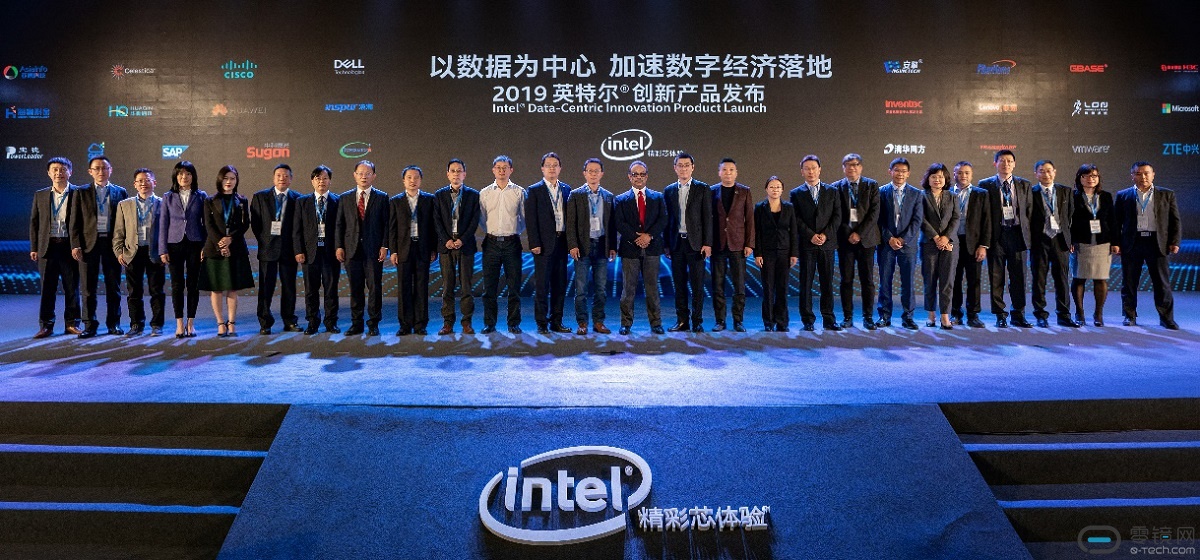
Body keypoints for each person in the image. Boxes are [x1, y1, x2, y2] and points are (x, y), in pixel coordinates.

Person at [1114, 161, 1181, 329]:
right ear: (1132, 176)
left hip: (1157, 243)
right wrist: (1116, 243)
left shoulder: (1166, 194)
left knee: (1162, 283)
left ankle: (1166, 318)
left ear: (1153, 175)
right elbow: (1116, 222)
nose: (1143, 177)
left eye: (1146, 173)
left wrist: (1174, 241)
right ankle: (1129, 315)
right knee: (1129, 283)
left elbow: (1175, 220)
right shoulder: (1123, 195)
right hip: (1132, 243)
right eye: (1138, 173)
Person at [72, 156, 128, 337]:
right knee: (88, 288)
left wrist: (124, 246)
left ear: (110, 170)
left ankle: (114, 324)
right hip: (88, 246)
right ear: (90, 172)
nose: (101, 171)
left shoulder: (121, 192)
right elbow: (74, 221)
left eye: (104, 168)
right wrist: (75, 244)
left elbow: (126, 222)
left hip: (112, 245)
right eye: (97, 168)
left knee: (114, 287)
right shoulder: (81, 192)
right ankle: (89, 325)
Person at [335, 160, 390, 336]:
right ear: (354, 175)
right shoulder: (345, 198)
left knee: (374, 288)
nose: (363, 177)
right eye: (360, 173)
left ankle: (373, 324)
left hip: (374, 250)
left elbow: (387, 225)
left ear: (374, 176)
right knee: (355, 289)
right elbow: (339, 225)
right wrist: (339, 246)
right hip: (351, 250)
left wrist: (385, 246)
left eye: (367, 173)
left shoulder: (382, 197)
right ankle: (356, 324)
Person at [979, 149, 1033, 328]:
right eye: (1001, 160)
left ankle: (1018, 314)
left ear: (1014, 164)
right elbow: (983, 215)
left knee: (1019, 278)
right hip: (997, 236)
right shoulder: (985, 185)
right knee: (996, 278)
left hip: (1018, 235)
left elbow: (1029, 212)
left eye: (1009, 161)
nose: (1006, 164)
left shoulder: (1024, 184)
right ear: (995, 163)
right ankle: (1000, 315)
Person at [30, 157, 82, 338]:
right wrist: (34, 247)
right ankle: (46, 326)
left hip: (70, 248)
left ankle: (72, 323)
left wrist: (78, 245)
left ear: (70, 172)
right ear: (49, 173)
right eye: (55, 169)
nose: (59, 173)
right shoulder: (40, 195)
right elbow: (34, 223)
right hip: (48, 248)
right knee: (47, 289)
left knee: (72, 287)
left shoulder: (79, 193)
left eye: (63, 169)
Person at [199, 165, 254, 337]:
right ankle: (220, 323)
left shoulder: (242, 200)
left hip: (236, 247)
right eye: (225, 178)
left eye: (232, 178)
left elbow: (245, 224)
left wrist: (230, 239)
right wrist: (221, 243)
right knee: (216, 289)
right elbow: (208, 225)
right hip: (214, 249)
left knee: (232, 288)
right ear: (220, 179)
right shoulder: (209, 200)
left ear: (236, 180)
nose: (229, 181)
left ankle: (231, 323)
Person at [564, 158, 616, 335]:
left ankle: (599, 322)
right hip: (582, 247)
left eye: (596, 171)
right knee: (581, 289)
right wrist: (572, 245)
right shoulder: (575, 195)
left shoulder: (608, 196)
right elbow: (570, 224)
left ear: (602, 173)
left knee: (601, 289)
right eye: (590, 171)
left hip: (601, 246)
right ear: (584, 173)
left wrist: (612, 246)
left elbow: (611, 225)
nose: (593, 174)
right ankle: (582, 322)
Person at [615, 161, 667, 335]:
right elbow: (619, 223)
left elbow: (663, 220)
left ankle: (656, 323)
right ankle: (626, 323)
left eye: (642, 174)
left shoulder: (658, 197)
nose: (638, 177)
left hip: (652, 249)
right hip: (630, 249)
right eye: (635, 174)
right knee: (628, 289)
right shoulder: (620, 200)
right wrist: (637, 237)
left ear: (647, 176)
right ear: (629, 177)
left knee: (652, 289)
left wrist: (649, 236)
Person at [791, 155, 842, 332]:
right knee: (806, 284)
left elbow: (837, 216)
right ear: (802, 172)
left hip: (827, 245)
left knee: (827, 283)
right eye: (807, 168)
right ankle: (808, 320)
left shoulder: (832, 191)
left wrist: (825, 235)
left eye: (813, 168)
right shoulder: (796, 193)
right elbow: (796, 219)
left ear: (819, 169)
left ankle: (829, 319)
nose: (810, 171)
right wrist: (811, 235)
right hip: (807, 245)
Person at [112, 168, 165, 336]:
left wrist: (165, 251)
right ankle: (136, 324)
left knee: (157, 291)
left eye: (147, 180)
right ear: (135, 184)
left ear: (154, 183)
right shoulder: (124, 204)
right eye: (140, 181)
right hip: (132, 252)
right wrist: (119, 252)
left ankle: (157, 325)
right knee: (134, 292)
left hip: (155, 252)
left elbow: (168, 231)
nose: (144, 183)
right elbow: (118, 232)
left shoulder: (163, 203)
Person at [663, 152, 712, 332]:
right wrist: (666, 244)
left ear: (692, 168)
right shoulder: (669, 191)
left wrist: (707, 243)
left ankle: (697, 321)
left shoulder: (703, 188)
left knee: (697, 285)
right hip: (677, 244)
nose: (683, 168)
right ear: (675, 168)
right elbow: (667, 220)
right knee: (679, 285)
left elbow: (708, 218)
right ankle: (682, 321)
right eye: (680, 165)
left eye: (686, 165)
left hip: (696, 245)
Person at [250, 163, 302, 334]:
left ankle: (289, 321)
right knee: (266, 288)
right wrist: (265, 241)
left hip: (289, 250)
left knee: (289, 287)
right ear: (273, 178)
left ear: (291, 179)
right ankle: (265, 323)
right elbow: (256, 224)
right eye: (279, 175)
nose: (282, 179)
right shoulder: (260, 197)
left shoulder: (298, 199)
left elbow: (299, 226)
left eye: (286, 176)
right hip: (268, 249)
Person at [159, 160, 207, 338]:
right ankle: (179, 324)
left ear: (193, 176)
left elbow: (206, 224)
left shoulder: (201, 196)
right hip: (174, 245)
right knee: (177, 285)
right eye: (180, 174)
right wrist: (162, 249)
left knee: (193, 285)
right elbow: (163, 224)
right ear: (175, 176)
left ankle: (190, 324)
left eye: (188, 173)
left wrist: (205, 246)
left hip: (195, 243)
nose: (184, 177)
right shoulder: (168, 197)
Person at [525, 152, 573, 334]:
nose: (552, 168)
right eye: (548, 165)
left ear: (560, 168)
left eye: (555, 165)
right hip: (543, 246)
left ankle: (556, 322)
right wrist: (534, 243)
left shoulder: (567, 190)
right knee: (542, 286)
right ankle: (542, 323)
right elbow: (531, 220)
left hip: (562, 243)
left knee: (560, 286)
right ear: (542, 169)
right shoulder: (534, 190)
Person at [832, 153, 880, 330]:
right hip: (845, 241)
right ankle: (847, 317)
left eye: (856, 164)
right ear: (843, 168)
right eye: (848, 165)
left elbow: (874, 213)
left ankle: (868, 317)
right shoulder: (836, 187)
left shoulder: (872, 185)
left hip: (867, 240)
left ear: (861, 167)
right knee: (846, 280)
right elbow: (836, 214)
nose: (852, 168)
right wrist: (849, 233)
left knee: (867, 280)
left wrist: (859, 233)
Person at [478, 155, 525, 334]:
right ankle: (489, 323)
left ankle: (513, 323)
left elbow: (524, 218)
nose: (501, 170)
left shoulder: (519, 192)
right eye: (498, 167)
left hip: (512, 243)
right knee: (489, 287)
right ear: (493, 170)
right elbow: (482, 219)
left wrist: (513, 232)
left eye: (505, 167)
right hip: (491, 243)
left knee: (514, 287)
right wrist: (493, 232)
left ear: (511, 170)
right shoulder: (485, 193)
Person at [1029, 160, 1079, 328]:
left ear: (1055, 172)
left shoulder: (1065, 191)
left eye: (1049, 170)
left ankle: (1064, 315)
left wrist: (1070, 238)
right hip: (1039, 241)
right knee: (1039, 280)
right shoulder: (1030, 192)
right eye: (1041, 171)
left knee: (1062, 279)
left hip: (1060, 240)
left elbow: (1070, 216)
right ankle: (1040, 315)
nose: (1046, 174)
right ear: (1036, 174)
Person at [433, 159, 480, 335]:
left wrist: (463, 239)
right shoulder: (439, 195)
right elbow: (436, 220)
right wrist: (446, 239)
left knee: (466, 287)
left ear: (464, 174)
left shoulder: (473, 195)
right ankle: (448, 323)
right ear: (448, 174)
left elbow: (474, 221)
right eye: (452, 171)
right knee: (447, 287)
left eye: (459, 171)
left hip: (465, 246)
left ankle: (467, 322)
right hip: (446, 246)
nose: (456, 174)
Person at [389, 165, 437, 336]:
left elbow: (433, 227)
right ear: (404, 180)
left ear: (421, 180)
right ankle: (404, 325)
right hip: (403, 249)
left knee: (421, 288)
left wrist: (433, 249)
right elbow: (392, 229)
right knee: (404, 289)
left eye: (416, 177)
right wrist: (393, 251)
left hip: (423, 249)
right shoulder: (395, 201)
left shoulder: (429, 200)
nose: (413, 180)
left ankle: (420, 324)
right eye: (409, 177)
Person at [293, 165, 341, 334]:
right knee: (310, 291)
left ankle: (331, 322)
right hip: (309, 253)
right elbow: (296, 229)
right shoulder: (302, 202)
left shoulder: (338, 201)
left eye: (325, 178)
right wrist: (298, 250)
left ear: (330, 181)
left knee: (331, 290)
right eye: (318, 178)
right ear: (312, 181)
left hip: (331, 253)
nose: (321, 181)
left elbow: (341, 228)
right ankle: (312, 322)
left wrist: (340, 248)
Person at [876, 157, 924, 330]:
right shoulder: (880, 192)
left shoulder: (917, 194)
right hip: (886, 244)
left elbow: (917, 221)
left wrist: (903, 239)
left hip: (908, 245)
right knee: (885, 281)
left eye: (904, 171)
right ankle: (884, 316)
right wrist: (889, 238)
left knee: (908, 282)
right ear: (890, 171)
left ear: (908, 173)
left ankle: (908, 317)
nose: (900, 174)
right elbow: (877, 219)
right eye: (897, 170)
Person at [709, 158, 754, 332]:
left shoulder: (744, 191)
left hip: (738, 244)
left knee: (739, 285)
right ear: (719, 172)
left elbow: (749, 219)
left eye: (731, 170)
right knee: (717, 285)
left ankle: (738, 320)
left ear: (736, 173)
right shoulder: (712, 191)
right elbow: (708, 220)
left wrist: (749, 243)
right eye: (724, 170)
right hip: (718, 245)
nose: (728, 173)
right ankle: (720, 320)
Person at [1069, 164, 1115, 327]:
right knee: (1079, 278)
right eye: (1086, 176)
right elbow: (1068, 221)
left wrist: (1115, 242)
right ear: (1080, 178)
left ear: (1098, 178)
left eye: (1094, 176)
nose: (1090, 179)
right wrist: (1070, 241)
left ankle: (1098, 314)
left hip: (1102, 243)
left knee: (1100, 279)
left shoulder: (1106, 196)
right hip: (1081, 243)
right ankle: (1079, 313)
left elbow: (1113, 221)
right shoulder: (1072, 196)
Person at [949, 162, 992, 328]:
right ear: (954, 175)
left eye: (967, 173)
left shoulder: (981, 194)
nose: (963, 176)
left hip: (973, 244)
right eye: (960, 173)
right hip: (952, 243)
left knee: (974, 281)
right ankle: (955, 313)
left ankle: (973, 315)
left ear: (972, 175)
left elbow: (987, 221)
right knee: (954, 280)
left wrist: (983, 245)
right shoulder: (947, 193)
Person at [919, 163, 961, 329]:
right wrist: (936, 237)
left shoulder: (952, 196)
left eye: (941, 177)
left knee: (947, 281)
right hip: (929, 244)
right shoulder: (921, 196)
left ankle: (945, 316)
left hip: (949, 244)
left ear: (946, 179)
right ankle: (931, 315)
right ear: (928, 179)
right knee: (929, 281)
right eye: (934, 176)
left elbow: (956, 218)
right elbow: (921, 219)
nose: (937, 179)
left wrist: (945, 237)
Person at [754, 176, 798, 332]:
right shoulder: (759, 208)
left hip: (784, 253)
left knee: (782, 288)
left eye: (778, 187)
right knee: (768, 288)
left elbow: (793, 232)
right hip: (766, 253)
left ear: (782, 190)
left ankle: (782, 322)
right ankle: (768, 321)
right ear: (766, 189)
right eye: (772, 187)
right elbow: (756, 232)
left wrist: (794, 253)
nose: (775, 190)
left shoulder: (789, 208)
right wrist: (757, 253)